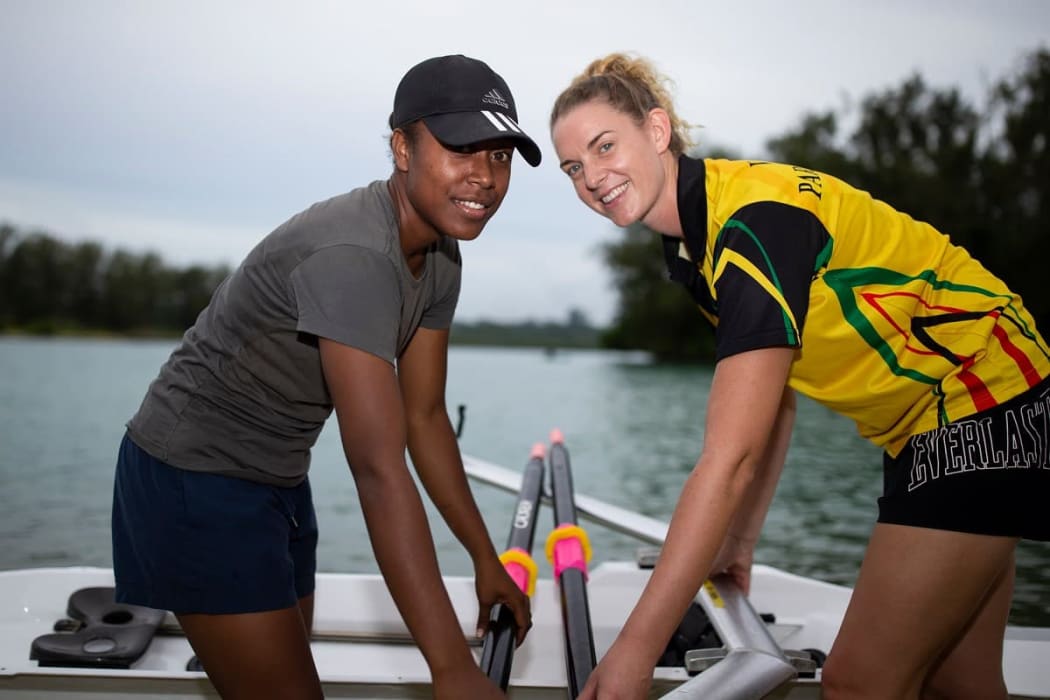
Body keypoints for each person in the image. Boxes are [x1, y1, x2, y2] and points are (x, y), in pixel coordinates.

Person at [550, 53, 1050, 700]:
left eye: (604, 146)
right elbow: (775, 401)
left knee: (858, 683)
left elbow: (728, 460)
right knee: (962, 682)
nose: (592, 177)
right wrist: (739, 539)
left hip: (982, 394)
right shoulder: (696, 243)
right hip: (943, 413)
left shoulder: (752, 228)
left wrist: (635, 650)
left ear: (656, 130)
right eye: (573, 168)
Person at [111, 54, 542, 700]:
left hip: (278, 479)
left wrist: (486, 559)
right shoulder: (353, 256)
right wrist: (451, 666)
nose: (484, 176)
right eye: (462, 148)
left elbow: (423, 418)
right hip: (193, 482)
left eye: (501, 156)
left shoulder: (443, 253)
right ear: (403, 147)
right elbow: (377, 468)